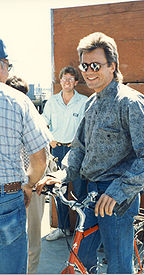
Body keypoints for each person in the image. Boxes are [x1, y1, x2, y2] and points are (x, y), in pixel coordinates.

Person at [37, 32, 144, 273]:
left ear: (112, 66)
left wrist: (119, 190)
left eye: (95, 65)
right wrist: (61, 175)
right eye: (84, 65)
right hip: (90, 193)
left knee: (118, 267)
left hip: (116, 198)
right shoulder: (91, 103)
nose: (88, 71)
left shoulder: (130, 102)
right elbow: (79, 148)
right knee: (82, 261)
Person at [0, 39, 52, 274]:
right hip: (8, 197)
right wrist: (29, 185)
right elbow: (40, 159)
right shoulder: (17, 101)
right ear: (3, 65)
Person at [6, 75, 56, 274]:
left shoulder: (34, 119)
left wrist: (32, 183)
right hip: (11, 188)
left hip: (33, 187)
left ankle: (30, 271)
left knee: (32, 236)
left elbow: (44, 155)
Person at [42, 66, 88, 241]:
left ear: (76, 82)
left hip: (76, 151)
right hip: (58, 150)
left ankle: (80, 232)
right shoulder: (52, 102)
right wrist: (49, 139)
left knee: (79, 191)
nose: (67, 82)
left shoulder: (83, 101)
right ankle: (62, 228)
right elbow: (42, 123)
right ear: (60, 81)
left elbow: (87, 128)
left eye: (71, 79)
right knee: (58, 190)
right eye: (64, 78)